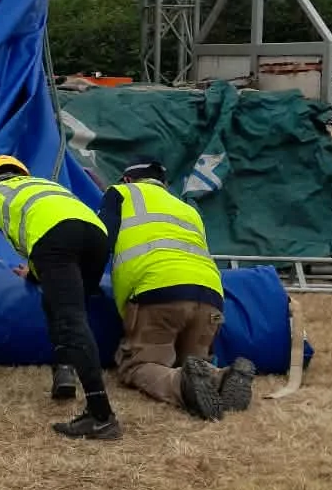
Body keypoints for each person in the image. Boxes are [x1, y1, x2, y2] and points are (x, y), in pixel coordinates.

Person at [0, 154, 121, 441]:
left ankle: (101, 416)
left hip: (56, 242)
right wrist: (35, 274)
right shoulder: (44, 186)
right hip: (96, 237)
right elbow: (58, 226)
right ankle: (65, 371)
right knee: (60, 305)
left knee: (71, 320)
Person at [102, 158, 254, 421]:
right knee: (197, 363)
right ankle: (223, 377)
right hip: (211, 297)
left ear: (127, 180)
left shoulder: (121, 193)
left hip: (157, 292)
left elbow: (101, 239)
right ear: (163, 184)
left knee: (140, 364)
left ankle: (181, 385)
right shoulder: (187, 209)